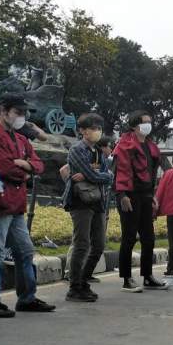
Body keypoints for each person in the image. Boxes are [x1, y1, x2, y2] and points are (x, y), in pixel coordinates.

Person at [0, 93, 54, 317]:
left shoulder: (20, 139)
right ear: (3, 111)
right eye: (18, 112)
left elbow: (38, 165)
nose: (21, 117)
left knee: (25, 252)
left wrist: (25, 165)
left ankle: (27, 298)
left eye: (23, 113)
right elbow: (4, 167)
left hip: (16, 204)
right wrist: (25, 169)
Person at [112, 110, 168, 293]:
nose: (148, 125)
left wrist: (152, 195)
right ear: (134, 126)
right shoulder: (124, 145)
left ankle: (148, 276)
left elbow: (152, 174)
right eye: (145, 122)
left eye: (150, 121)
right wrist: (122, 195)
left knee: (149, 239)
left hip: (145, 195)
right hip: (129, 195)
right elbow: (121, 172)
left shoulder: (151, 146)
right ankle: (126, 278)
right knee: (129, 238)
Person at [62, 113, 114, 302]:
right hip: (81, 202)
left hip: (98, 202)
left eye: (99, 128)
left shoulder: (98, 152)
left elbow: (109, 176)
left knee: (98, 245)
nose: (96, 131)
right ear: (82, 130)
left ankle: (83, 281)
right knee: (82, 244)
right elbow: (95, 175)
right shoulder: (77, 149)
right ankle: (74, 287)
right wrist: (96, 174)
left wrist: (96, 174)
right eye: (92, 128)